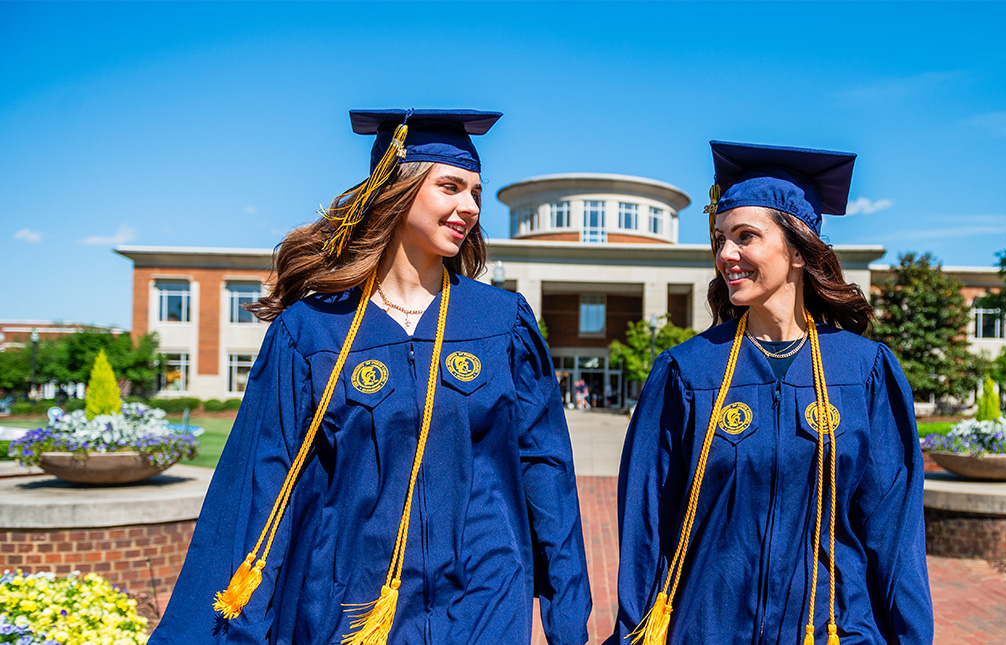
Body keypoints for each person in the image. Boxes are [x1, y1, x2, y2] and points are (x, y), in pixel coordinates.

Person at [151, 109, 591, 645]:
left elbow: (544, 463)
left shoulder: (500, 322)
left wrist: (567, 610)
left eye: (476, 192)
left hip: (485, 593)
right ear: (396, 189)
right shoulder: (312, 330)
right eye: (450, 187)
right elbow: (264, 484)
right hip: (348, 601)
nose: (469, 207)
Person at [608, 142, 933, 645]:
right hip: (708, 628)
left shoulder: (864, 370)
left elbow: (894, 532)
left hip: (832, 627)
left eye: (746, 237)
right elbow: (647, 522)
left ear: (799, 251)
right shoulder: (687, 371)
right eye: (720, 239)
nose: (726, 255)